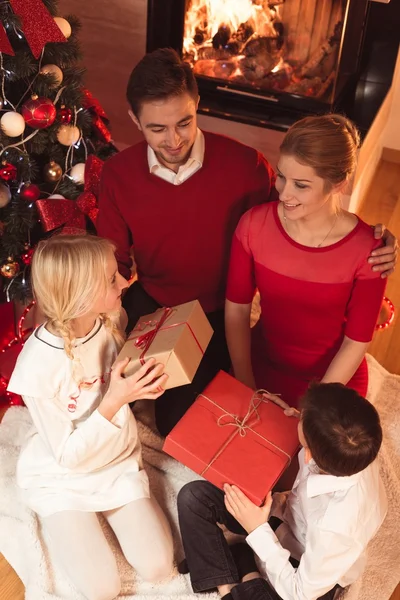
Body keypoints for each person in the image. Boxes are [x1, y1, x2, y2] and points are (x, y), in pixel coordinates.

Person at [97, 49, 398, 435]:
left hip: (216, 312)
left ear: (198, 105)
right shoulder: (119, 174)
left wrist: (372, 243)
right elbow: (113, 262)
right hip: (154, 304)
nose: (174, 140)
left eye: (184, 123)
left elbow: (296, 223)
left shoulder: (248, 167)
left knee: (182, 422)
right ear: (134, 119)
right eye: (157, 128)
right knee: (106, 392)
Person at [7, 235, 174, 600]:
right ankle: (65, 522)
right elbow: (68, 456)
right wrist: (114, 401)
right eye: (112, 279)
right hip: (64, 476)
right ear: (81, 294)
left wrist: (141, 389)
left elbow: (122, 383)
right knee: (101, 589)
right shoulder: (38, 366)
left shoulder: (110, 321)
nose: (124, 282)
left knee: (160, 566)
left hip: (116, 464)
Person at [225, 114, 390, 407]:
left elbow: (356, 342)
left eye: (301, 185)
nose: (284, 193)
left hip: (332, 380)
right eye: (282, 177)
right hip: (260, 366)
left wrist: (315, 408)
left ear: (338, 184)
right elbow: (237, 311)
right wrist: (245, 384)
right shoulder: (252, 226)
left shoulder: (370, 250)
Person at [177, 382, 387, 600]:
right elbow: (331, 432)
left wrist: (256, 528)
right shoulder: (358, 445)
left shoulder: (335, 528)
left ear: (309, 455)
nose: (299, 414)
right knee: (193, 498)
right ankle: (238, 569)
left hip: (306, 571)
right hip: (287, 521)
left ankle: (229, 585)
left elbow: (299, 593)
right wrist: (308, 421)